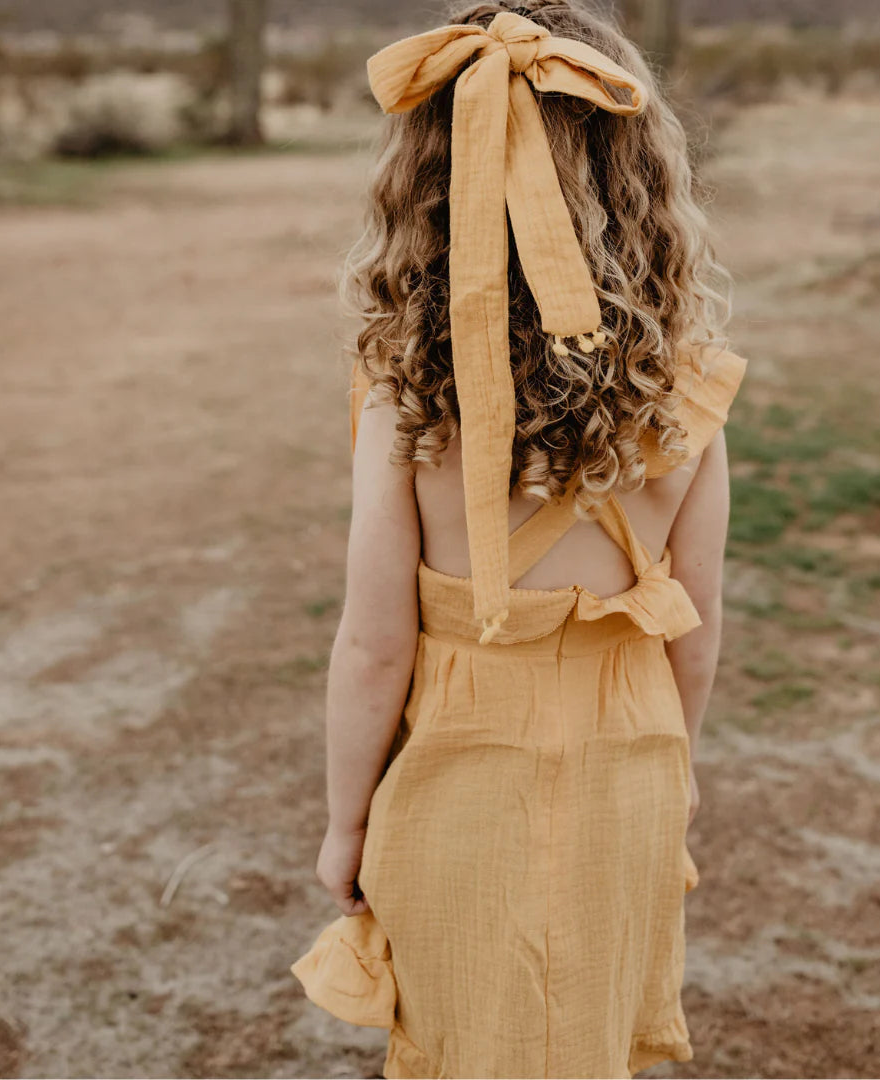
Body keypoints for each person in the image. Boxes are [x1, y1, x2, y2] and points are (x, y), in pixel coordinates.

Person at [292, 2, 746, 1076]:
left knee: (459, 1044)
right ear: (638, 180)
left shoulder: (402, 395)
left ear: (428, 181)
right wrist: (672, 768)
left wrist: (344, 824)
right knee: (586, 1038)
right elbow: (699, 622)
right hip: (628, 763)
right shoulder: (689, 388)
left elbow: (373, 645)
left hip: (459, 769)